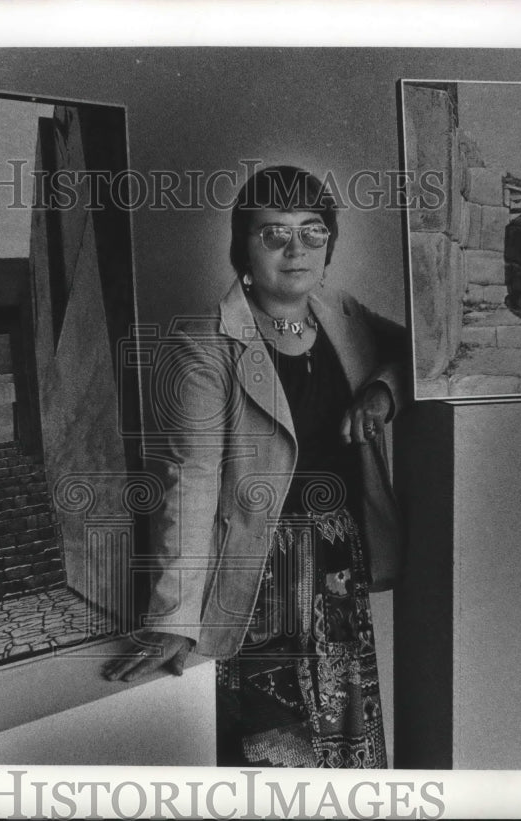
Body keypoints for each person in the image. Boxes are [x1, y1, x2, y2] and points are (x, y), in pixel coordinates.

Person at [104, 165, 408, 768]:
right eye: (273, 233)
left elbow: (416, 353)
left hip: (338, 570)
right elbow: (189, 483)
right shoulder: (205, 342)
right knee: (276, 760)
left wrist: (381, 393)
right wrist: (175, 618)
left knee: (347, 748)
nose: (296, 249)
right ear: (243, 246)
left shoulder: (341, 314)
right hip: (261, 575)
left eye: (313, 231)